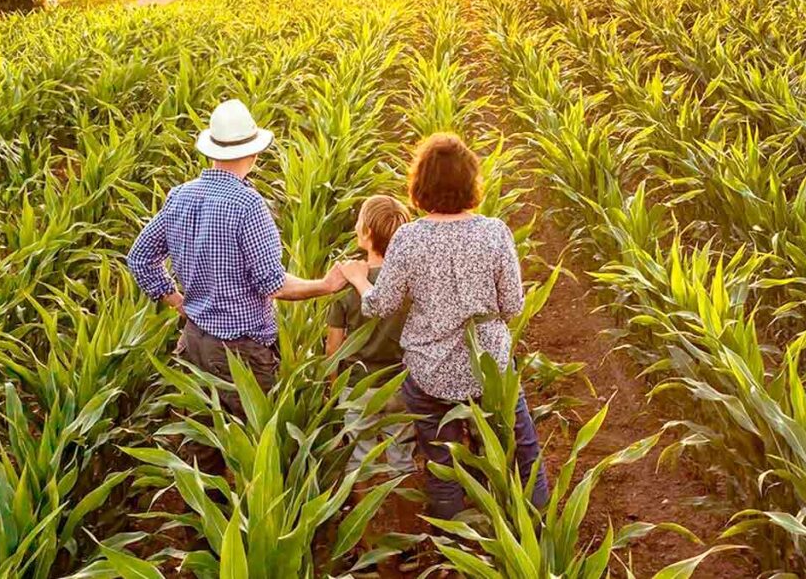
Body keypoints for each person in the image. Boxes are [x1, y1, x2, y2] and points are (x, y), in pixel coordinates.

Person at [339, 133, 550, 520]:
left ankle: (453, 543)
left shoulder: (408, 238)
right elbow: (513, 306)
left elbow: (380, 305)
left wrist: (358, 280)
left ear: (420, 186)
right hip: (490, 371)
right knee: (523, 450)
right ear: (471, 183)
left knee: (442, 463)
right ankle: (534, 533)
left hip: (430, 375)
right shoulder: (495, 232)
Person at [127, 99, 347, 417]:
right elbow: (273, 283)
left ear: (213, 152)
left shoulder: (181, 195)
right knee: (256, 446)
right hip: (240, 352)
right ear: (254, 154)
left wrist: (177, 300)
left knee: (201, 446)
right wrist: (325, 285)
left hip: (194, 342)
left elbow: (139, 257)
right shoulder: (248, 205)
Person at [326, 195, 416, 476]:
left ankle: (363, 519)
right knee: (402, 458)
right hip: (401, 383)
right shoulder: (410, 280)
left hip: (358, 387)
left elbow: (334, 347)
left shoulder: (346, 283)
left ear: (365, 233)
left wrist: (333, 386)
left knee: (358, 462)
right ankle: (408, 519)